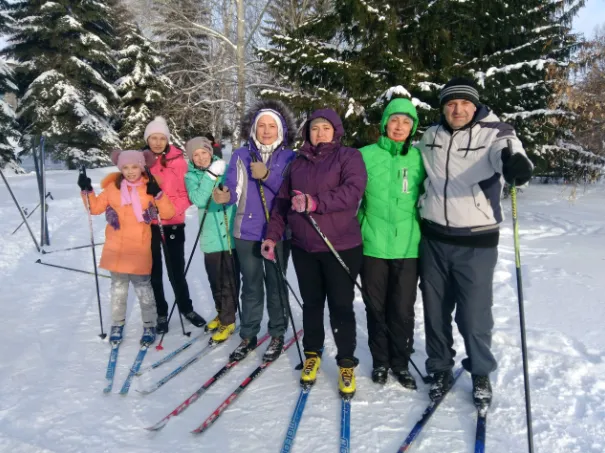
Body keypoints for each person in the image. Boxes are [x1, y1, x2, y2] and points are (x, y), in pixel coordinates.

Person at [417, 77, 533, 407]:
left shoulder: (496, 132)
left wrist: (516, 165)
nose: (457, 109)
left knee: (474, 315)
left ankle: (480, 372)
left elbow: (509, 151)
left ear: (475, 105)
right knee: (434, 311)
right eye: (451, 103)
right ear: (443, 107)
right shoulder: (431, 136)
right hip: (434, 239)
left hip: (476, 241)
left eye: (464, 103)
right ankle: (439, 368)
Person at [262, 108, 367, 398]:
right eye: (314, 128)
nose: (320, 133)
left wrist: (314, 202)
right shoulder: (297, 163)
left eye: (325, 128)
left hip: (341, 246)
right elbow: (283, 202)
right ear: (308, 132)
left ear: (336, 131)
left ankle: (346, 361)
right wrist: (272, 236)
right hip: (304, 247)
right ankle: (312, 353)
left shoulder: (349, 157)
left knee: (341, 306)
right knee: (311, 304)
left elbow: (353, 191)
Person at [212, 100, 296, 363]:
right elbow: (232, 186)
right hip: (246, 232)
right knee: (251, 287)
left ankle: (277, 332)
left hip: (278, 232)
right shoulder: (241, 154)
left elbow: (289, 191)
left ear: (280, 130)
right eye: (262, 125)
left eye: (272, 126)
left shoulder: (290, 157)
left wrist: (267, 175)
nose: (267, 130)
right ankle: (248, 334)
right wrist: (222, 195)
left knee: (275, 285)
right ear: (254, 128)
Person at [357, 98, 426, 389]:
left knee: (402, 308)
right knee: (375, 307)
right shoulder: (363, 155)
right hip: (371, 244)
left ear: (413, 127)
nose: (400, 127)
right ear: (385, 123)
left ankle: (400, 362)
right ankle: (381, 362)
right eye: (395, 120)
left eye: (406, 122)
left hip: (408, 247)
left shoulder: (419, 159)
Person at [77, 150, 175, 345]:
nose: (130, 171)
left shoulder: (149, 188)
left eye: (134, 167)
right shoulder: (113, 189)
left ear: (141, 167)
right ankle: (117, 323)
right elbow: (95, 208)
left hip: (139, 249)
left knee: (144, 290)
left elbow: (168, 212)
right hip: (116, 250)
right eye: (126, 168)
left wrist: (159, 194)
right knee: (118, 290)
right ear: (120, 168)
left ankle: (149, 324)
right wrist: (87, 190)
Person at [144, 116, 206, 333]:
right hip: (149, 224)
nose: (158, 142)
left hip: (173, 224)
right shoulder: (142, 161)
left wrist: (171, 210)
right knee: (154, 272)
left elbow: (186, 193)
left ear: (167, 139)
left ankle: (186, 308)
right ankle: (161, 313)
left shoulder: (178, 160)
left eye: (162, 138)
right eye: (153, 138)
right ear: (148, 139)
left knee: (176, 270)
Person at [184, 137, 240, 344]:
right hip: (209, 237)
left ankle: (228, 320)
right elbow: (198, 199)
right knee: (215, 280)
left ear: (210, 152)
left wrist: (219, 174)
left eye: (203, 153)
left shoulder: (226, 169)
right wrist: (210, 175)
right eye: (195, 155)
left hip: (229, 233)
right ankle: (221, 312)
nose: (200, 158)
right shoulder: (191, 176)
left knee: (229, 281)